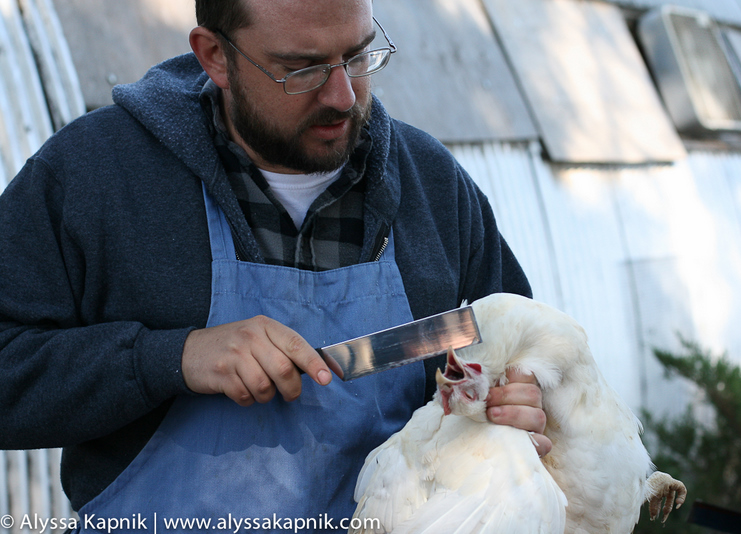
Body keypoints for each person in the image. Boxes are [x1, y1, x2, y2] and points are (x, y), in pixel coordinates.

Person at [0, 0, 549, 529]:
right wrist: (172, 357)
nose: (342, 96)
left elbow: (525, 351)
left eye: (357, 56)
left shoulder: (433, 185)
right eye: (302, 69)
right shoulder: (94, 174)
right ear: (215, 55)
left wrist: (514, 409)